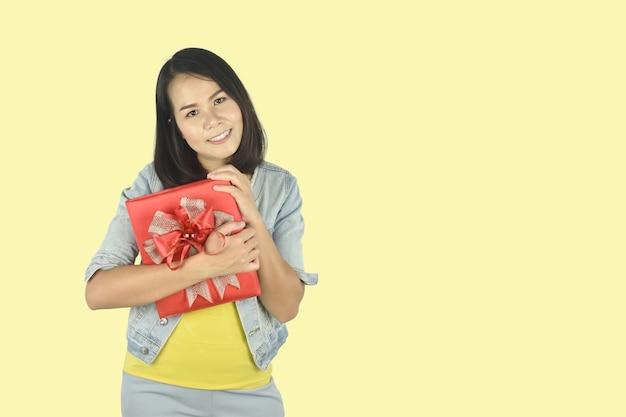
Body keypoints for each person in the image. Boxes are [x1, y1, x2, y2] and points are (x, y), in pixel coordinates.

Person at [84, 47, 317, 417]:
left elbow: (286, 307)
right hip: (155, 390)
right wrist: (206, 266)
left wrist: (253, 216)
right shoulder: (150, 183)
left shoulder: (281, 188)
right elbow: (97, 292)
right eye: (191, 112)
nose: (212, 119)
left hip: (252, 393)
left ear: (240, 99)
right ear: (173, 124)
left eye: (219, 99)